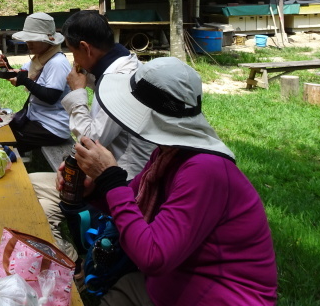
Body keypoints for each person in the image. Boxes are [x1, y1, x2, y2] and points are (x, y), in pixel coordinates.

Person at [67, 57, 278, 305]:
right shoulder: (168, 154)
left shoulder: (205, 170)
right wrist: (94, 191)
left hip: (222, 296)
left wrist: (111, 179)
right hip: (173, 282)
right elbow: (134, 204)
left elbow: (153, 256)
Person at [29, 10, 154, 259]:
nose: (72, 58)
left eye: (73, 51)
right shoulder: (121, 64)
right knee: (29, 184)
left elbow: (90, 141)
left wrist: (77, 91)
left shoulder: (118, 82)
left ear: (86, 48)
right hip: (108, 171)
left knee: (39, 198)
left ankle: (69, 259)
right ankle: (68, 250)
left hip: (125, 179)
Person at [0, 12, 71, 154]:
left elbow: (50, 96)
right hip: (37, 118)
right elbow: (19, 75)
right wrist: (4, 66)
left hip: (52, 127)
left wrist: (25, 81)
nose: (28, 42)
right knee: (1, 127)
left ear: (48, 41)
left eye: (33, 39)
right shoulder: (40, 59)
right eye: (27, 39)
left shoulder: (57, 63)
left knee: (6, 136)